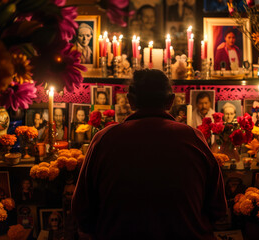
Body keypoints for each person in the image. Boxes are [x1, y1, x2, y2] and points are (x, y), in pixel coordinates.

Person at [72, 69, 227, 239]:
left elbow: (82, 211)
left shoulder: (103, 140)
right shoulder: (194, 138)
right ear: (170, 102)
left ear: (130, 101)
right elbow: (217, 208)